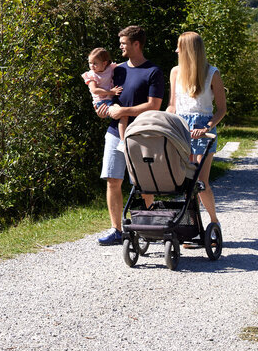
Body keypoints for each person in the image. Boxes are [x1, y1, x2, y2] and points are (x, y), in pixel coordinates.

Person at [95, 26, 164, 245]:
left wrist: (124, 111)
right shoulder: (118, 70)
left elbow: (154, 106)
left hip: (142, 135)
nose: (120, 46)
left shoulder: (153, 71)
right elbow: (109, 96)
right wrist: (103, 109)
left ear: (136, 44)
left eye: (124, 43)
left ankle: (150, 226)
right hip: (115, 132)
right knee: (112, 180)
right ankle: (117, 230)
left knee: (143, 181)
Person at [166, 31, 226, 229]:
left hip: (203, 130)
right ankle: (192, 225)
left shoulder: (212, 73)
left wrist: (207, 127)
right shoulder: (175, 72)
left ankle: (214, 222)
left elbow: (222, 109)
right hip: (181, 127)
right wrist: (164, 121)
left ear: (189, 50)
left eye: (179, 47)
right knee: (185, 182)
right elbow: (173, 105)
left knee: (200, 181)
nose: (175, 50)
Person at [82, 47, 127, 139]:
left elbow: (123, 65)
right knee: (122, 114)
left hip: (111, 101)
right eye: (90, 63)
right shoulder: (91, 75)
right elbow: (94, 90)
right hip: (102, 103)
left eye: (95, 63)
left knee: (123, 115)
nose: (92, 66)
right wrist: (111, 92)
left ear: (104, 63)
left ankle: (123, 140)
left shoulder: (109, 69)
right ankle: (123, 142)